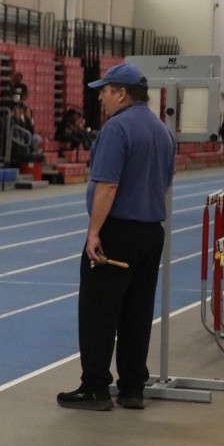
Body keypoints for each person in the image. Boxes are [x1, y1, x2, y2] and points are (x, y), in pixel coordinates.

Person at [57, 63, 175, 411]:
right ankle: (132, 387)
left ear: (121, 93)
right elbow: (165, 183)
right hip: (151, 232)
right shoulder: (163, 131)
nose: (101, 97)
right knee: (138, 311)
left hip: (117, 232)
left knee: (99, 310)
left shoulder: (117, 128)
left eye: (105, 90)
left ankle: (95, 386)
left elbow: (107, 185)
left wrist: (94, 231)